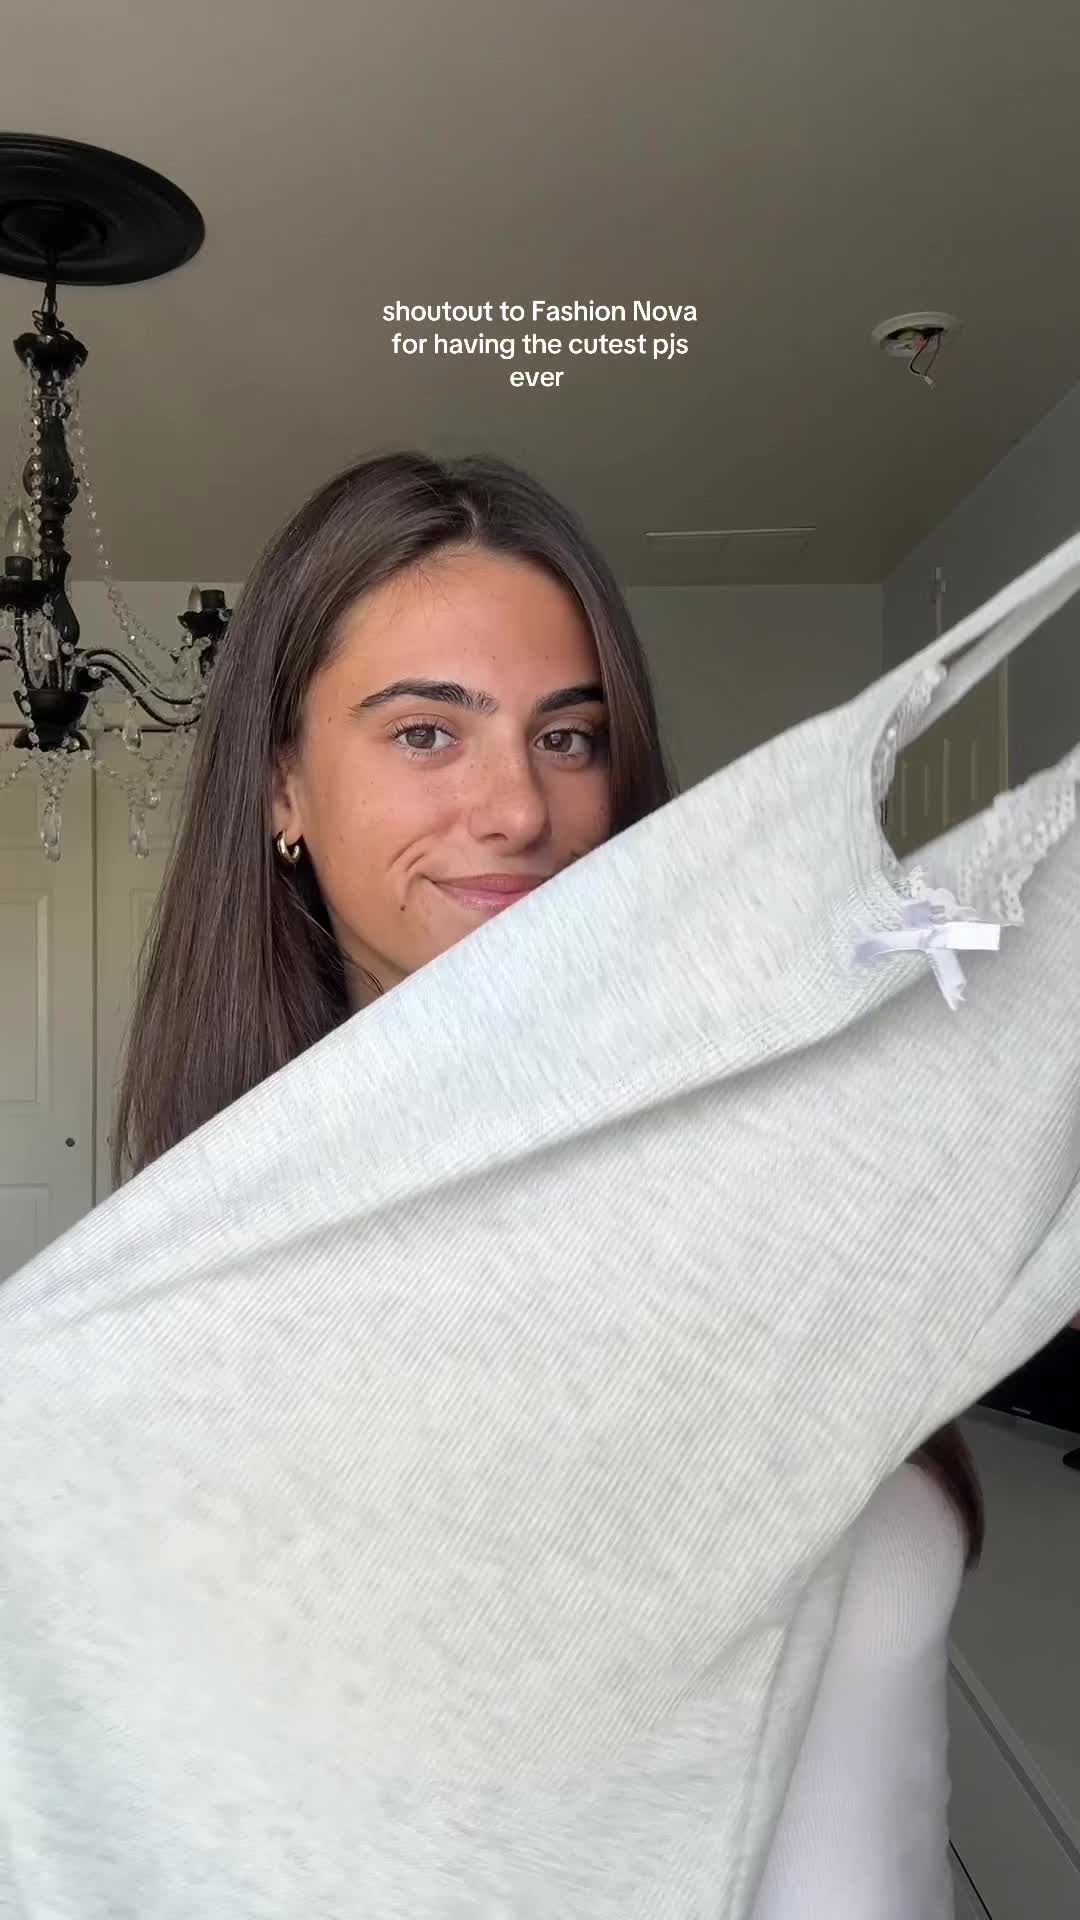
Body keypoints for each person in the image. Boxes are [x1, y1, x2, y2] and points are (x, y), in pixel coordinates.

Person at [115, 449, 981, 1914]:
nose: (520, 807)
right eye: (426, 733)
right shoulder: (194, 1331)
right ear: (282, 786)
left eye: (569, 737)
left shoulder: (796, 1172)